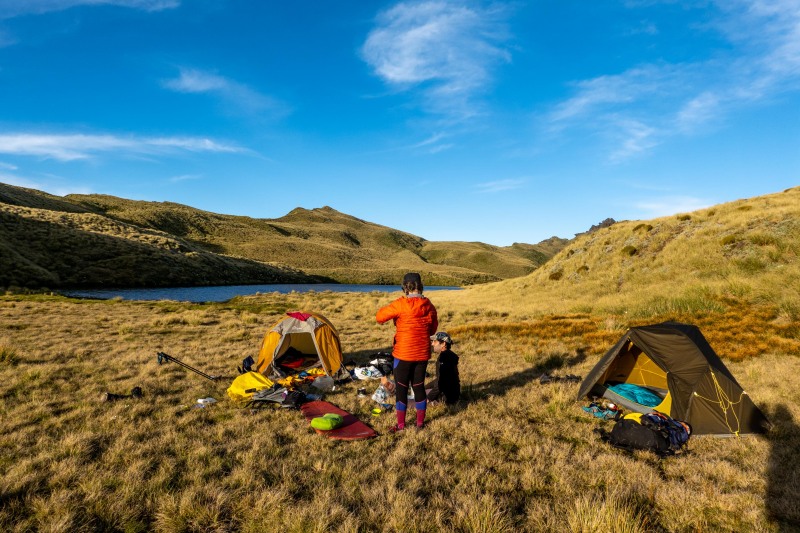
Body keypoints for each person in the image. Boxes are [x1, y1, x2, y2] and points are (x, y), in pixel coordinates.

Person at [376, 272, 438, 431]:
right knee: (418, 387)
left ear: (405, 287)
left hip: (403, 354)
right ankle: (420, 424)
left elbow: (379, 317)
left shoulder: (400, 304)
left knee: (401, 389)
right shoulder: (429, 305)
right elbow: (433, 329)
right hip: (422, 354)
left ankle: (401, 425)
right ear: (420, 286)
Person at [426, 332, 460, 406]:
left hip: (446, 398)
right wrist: (426, 387)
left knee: (413, 402)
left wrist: (428, 398)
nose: (432, 344)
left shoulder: (444, 358)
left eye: (435, 341)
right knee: (422, 392)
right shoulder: (448, 355)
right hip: (452, 395)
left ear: (443, 344)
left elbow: (441, 383)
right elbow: (440, 379)